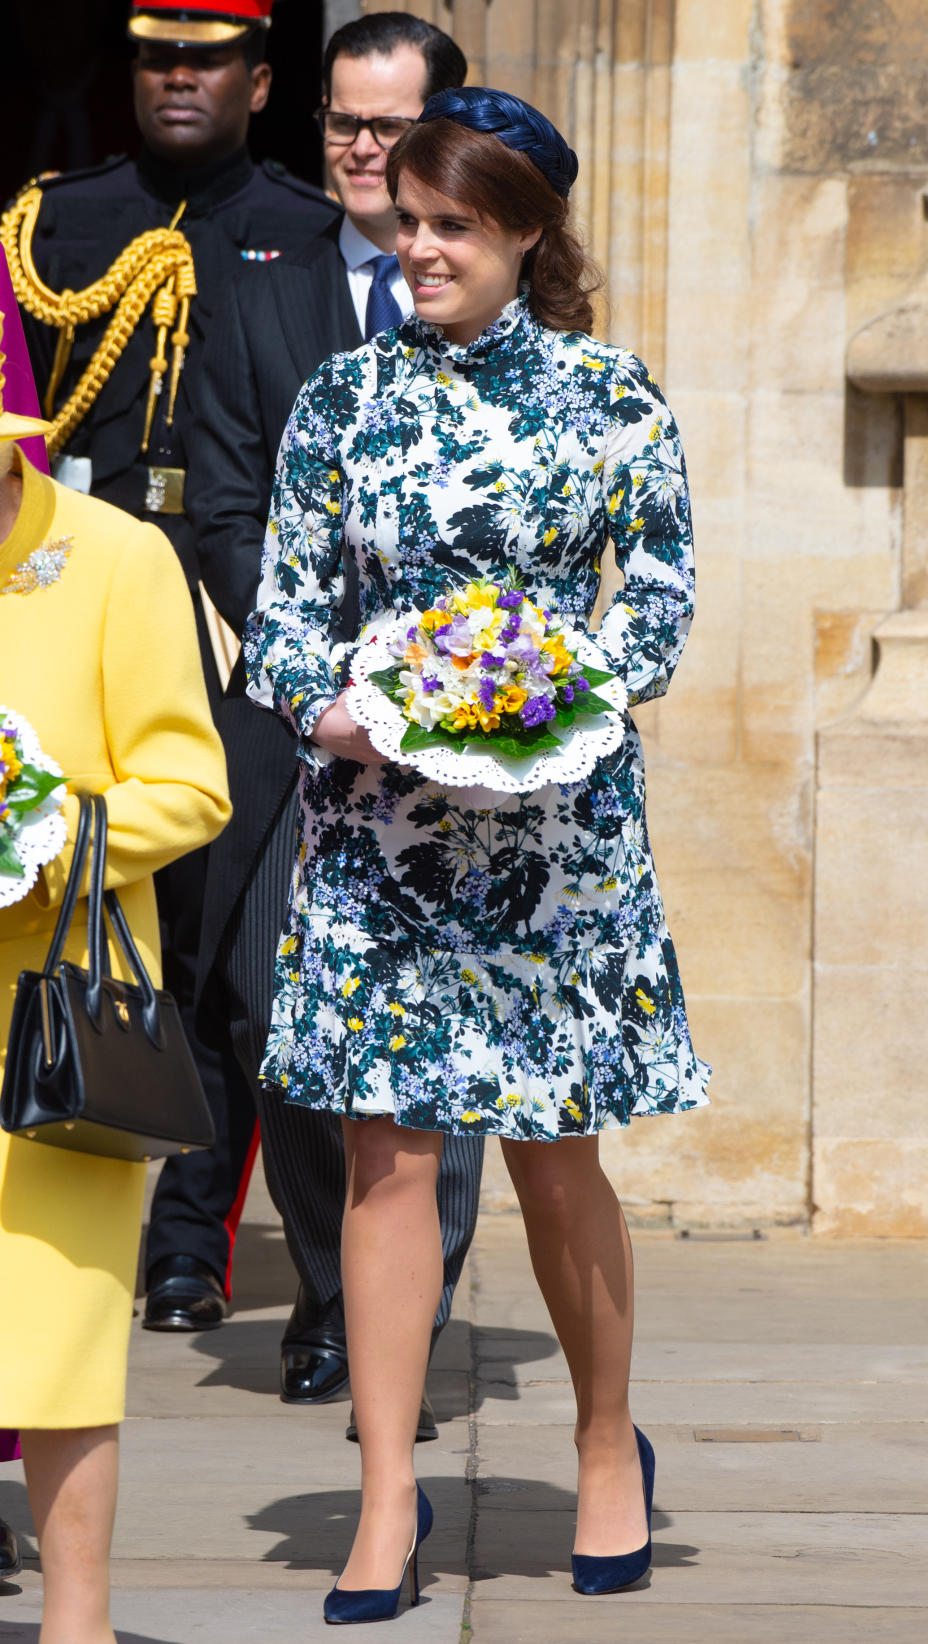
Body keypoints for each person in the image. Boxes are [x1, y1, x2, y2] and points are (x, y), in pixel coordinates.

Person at [246, 87, 712, 1621]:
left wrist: (539, 687)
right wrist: (343, 714)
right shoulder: (343, 401)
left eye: (455, 224)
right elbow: (287, 622)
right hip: (382, 835)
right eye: (409, 220)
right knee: (385, 1157)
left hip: (556, 836)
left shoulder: (611, 396)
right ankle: (387, 1492)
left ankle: (598, 1446)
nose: (420, 245)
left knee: (554, 1156)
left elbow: (654, 603)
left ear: (524, 231)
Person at [2, 0, 341, 1336]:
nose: (179, 78)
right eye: (158, 57)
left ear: (261, 81)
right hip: (76, 590)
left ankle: (191, 1245)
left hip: (226, 607)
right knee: (70, 901)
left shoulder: (311, 235)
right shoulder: (53, 226)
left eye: (207, 59)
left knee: (222, 952)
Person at [189, 12, 480, 1427]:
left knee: (442, 1029)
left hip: (467, 745)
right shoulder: (257, 281)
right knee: (275, 1015)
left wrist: (441, 676)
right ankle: (328, 1294)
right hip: (297, 729)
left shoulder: (488, 286)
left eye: (388, 124)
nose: (360, 150)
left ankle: (399, 1327)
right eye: (342, 123)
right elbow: (228, 504)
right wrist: (328, 669)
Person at [0, 259, 230, 1643]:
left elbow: (189, 786)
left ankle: (78, 1620)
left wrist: (41, 831)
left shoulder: (115, 556)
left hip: (56, 1007)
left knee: (60, 1330)